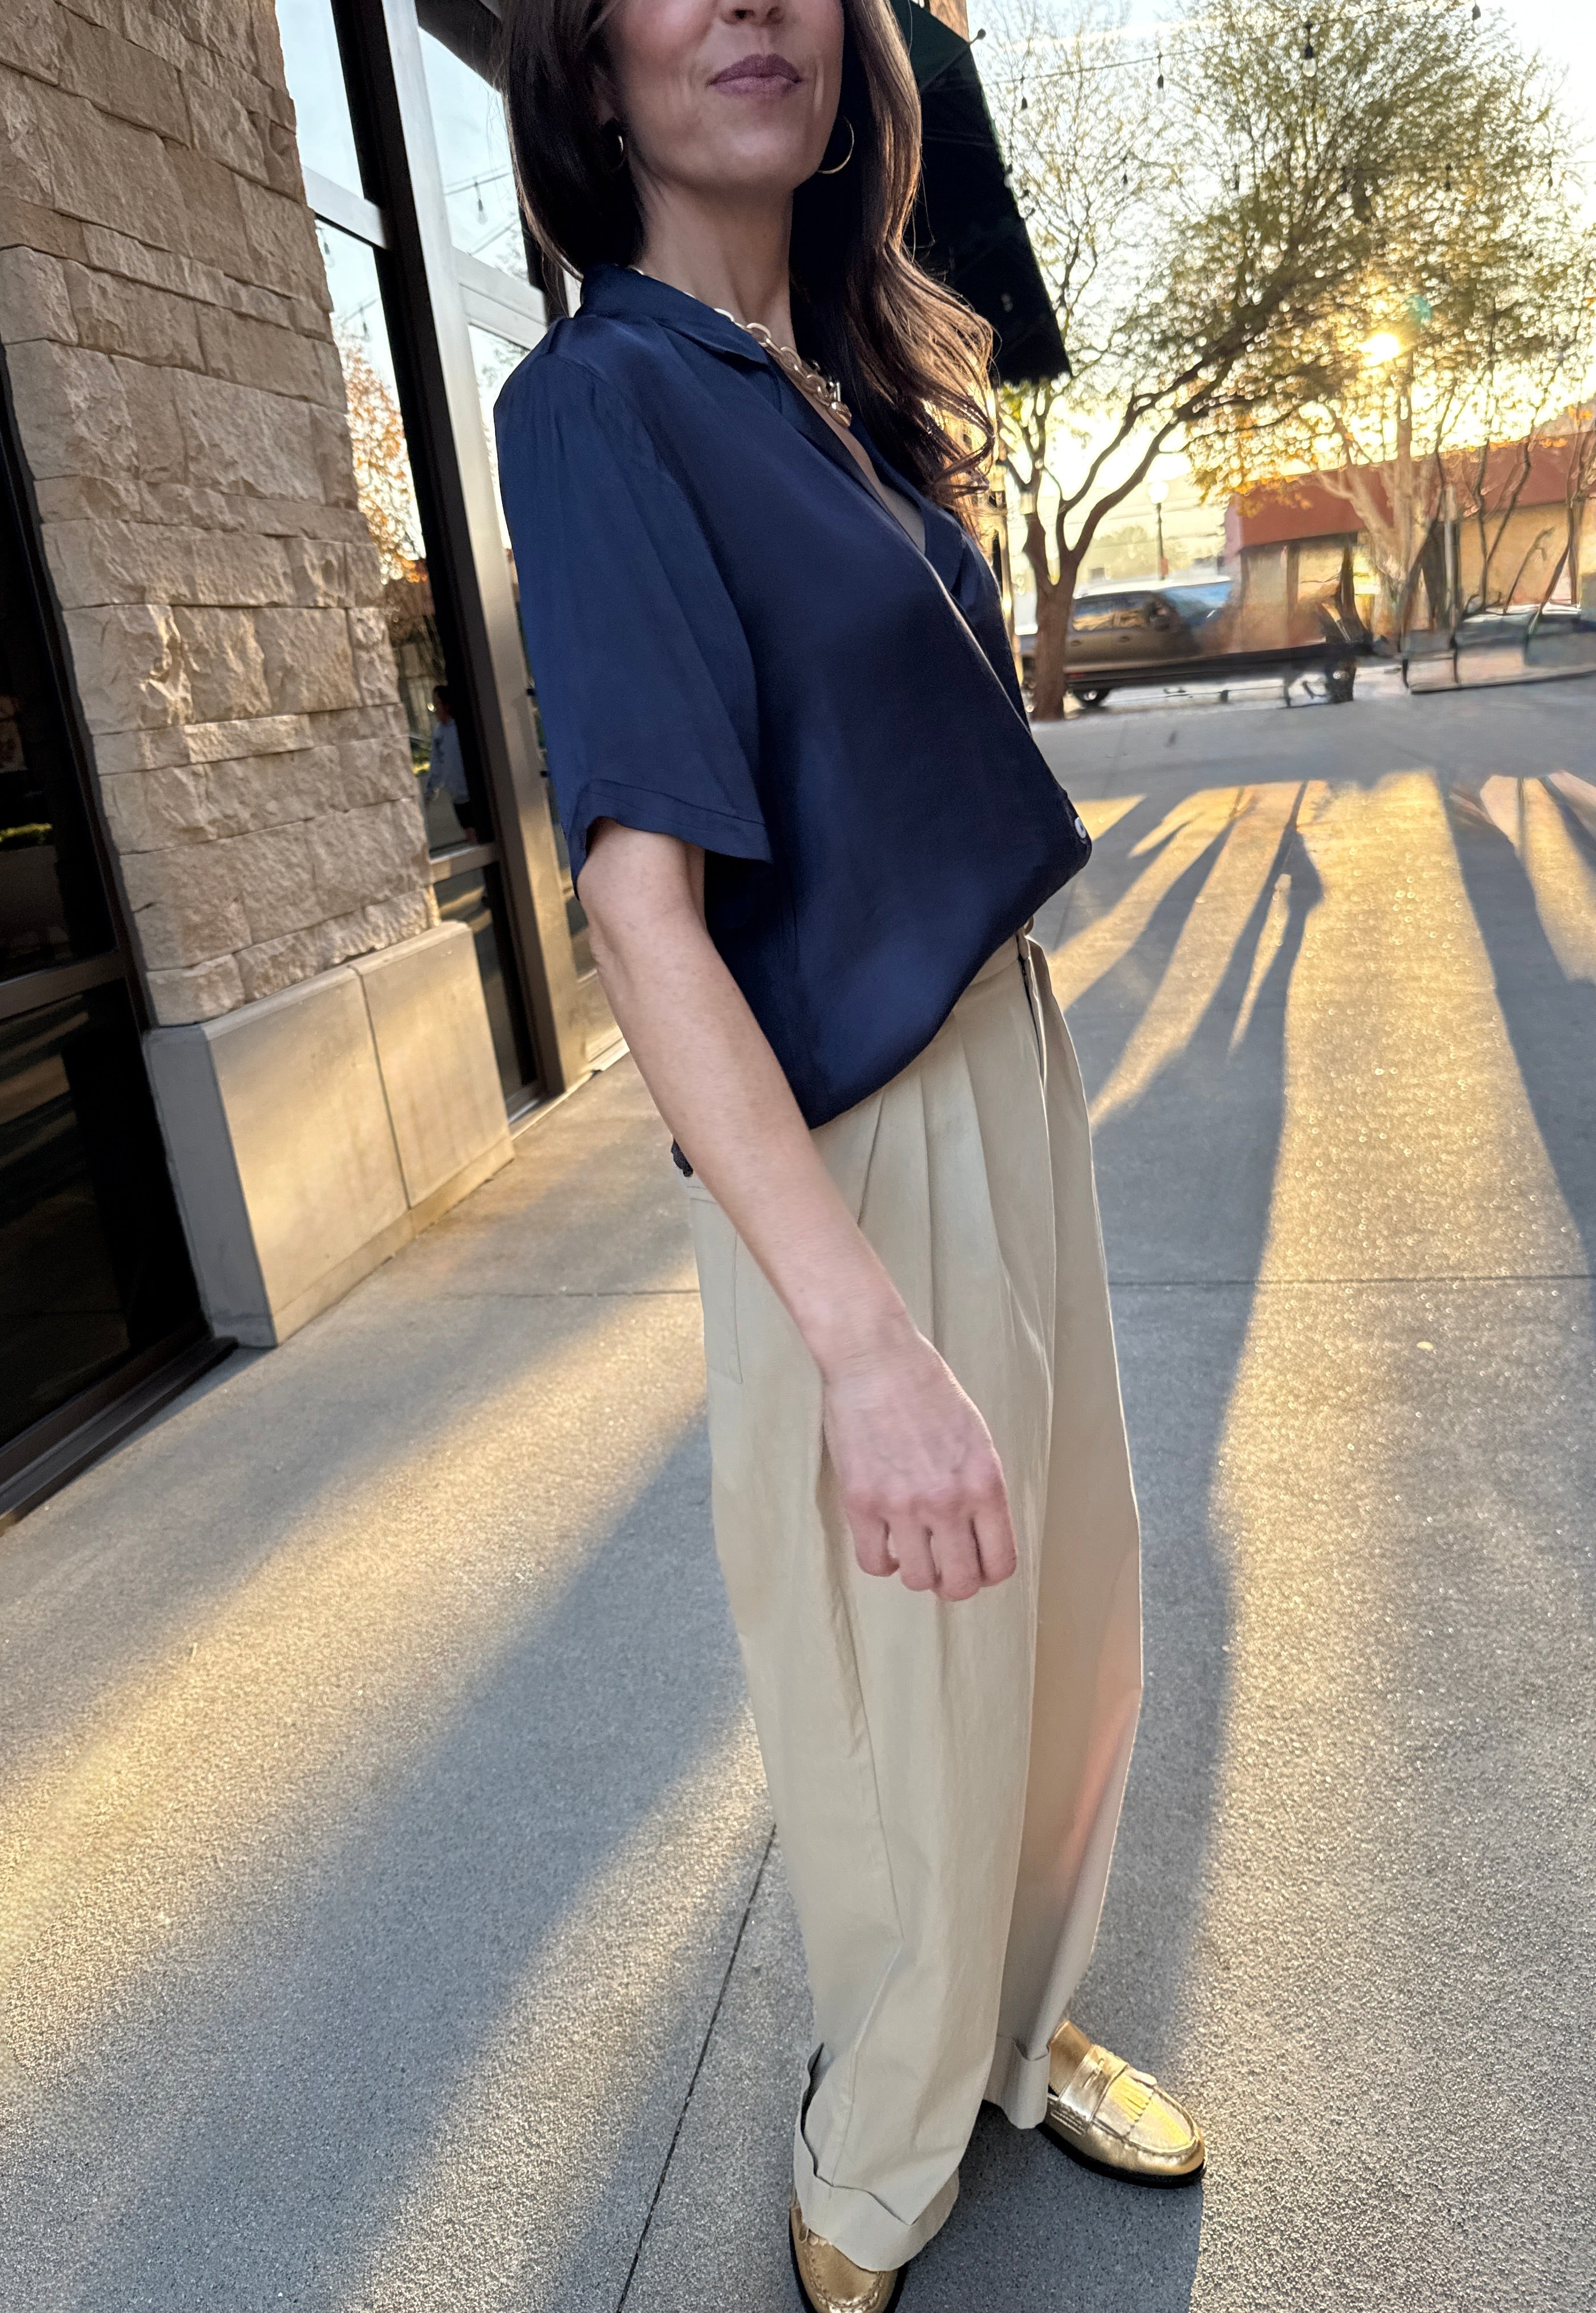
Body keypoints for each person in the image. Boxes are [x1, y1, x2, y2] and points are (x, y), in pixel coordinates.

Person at [496, 0, 1204, 2302]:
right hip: (846, 1153)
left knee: (1070, 1618)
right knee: (895, 1703)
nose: (752, 9)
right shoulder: (600, 406)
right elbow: (637, 906)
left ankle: (1008, 2039)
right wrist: (865, 1342)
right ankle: (872, 2144)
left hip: (1004, 1053)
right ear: (593, 73)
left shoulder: (851, 382)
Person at [423, 684, 476, 837]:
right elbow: (437, 764)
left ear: (447, 705)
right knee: (469, 834)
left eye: (436, 704)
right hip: (457, 797)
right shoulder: (439, 733)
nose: (435, 711)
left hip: (472, 793)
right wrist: (430, 791)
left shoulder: (461, 728)